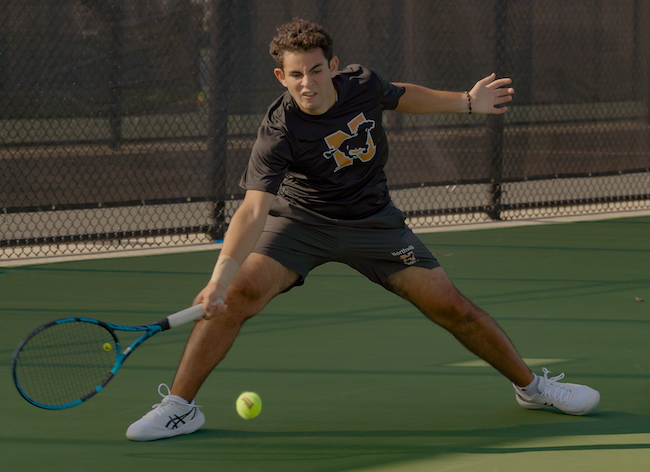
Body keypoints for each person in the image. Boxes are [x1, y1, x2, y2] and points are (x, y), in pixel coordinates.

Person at [126, 19, 599, 441]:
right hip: (301, 224)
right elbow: (253, 211)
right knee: (237, 295)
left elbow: (400, 94)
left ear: (331, 66)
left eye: (314, 70)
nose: (306, 83)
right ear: (281, 76)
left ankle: (533, 389)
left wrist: (467, 103)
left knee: (454, 309)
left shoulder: (362, 83)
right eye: (295, 74)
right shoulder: (279, 129)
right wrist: (220, 277)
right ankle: (180, 407)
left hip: (375, 223)